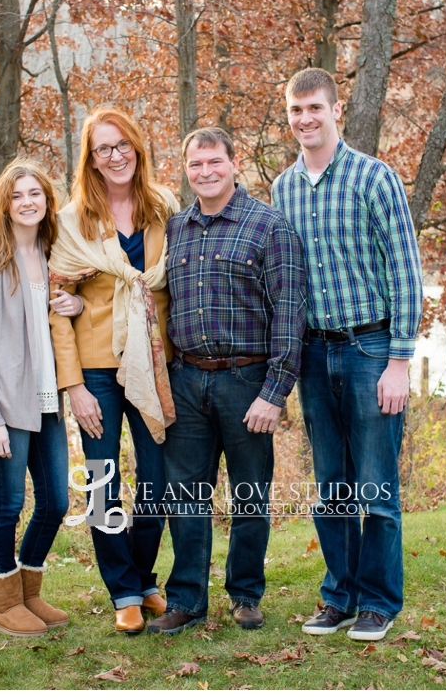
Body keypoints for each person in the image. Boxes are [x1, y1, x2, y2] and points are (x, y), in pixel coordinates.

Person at [271, 68, 423, 642]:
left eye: (315, 108)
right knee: (331, 485)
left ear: (337, 110)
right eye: (295, 111)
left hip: (370, 349)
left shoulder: (374, 177)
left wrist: (400, 361)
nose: (305, 119)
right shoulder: (283, 189)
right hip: (315, 354)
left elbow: (406, 272)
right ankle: (341, 594)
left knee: (377, 486)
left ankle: (380, 602)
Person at [147, 127, 307, 635]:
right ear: (187, 170)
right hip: (186, 379)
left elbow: (289, 314)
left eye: (215, 161)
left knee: (250, 495)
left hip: (247, 381)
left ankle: (245, 594)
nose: (206, 172)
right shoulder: (174, 229)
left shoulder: (269, 227)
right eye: (196, 164)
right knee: (184, 495)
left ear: (234, 163)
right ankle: (187, 600)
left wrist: (274, 393)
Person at [48, 106, 179, 637]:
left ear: (137, 148)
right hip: (97, 368)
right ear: (91, 159)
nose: (116, 155)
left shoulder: (164, 206)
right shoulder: (72, 220)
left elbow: (174, 285)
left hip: (152, 364)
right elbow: (59, 308)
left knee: (157, 480)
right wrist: (73, 385)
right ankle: (122, 590)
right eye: (104, 148)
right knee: (104, 483)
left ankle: (146, 580)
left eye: (122, 144)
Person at [0, 158, 69, 638]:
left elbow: (66, 313)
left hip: (47, 398)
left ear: (47, 201)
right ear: (4, 205)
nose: (27, 202)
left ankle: (29, 590)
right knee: (7, 503)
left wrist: (78, 302)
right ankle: (5, 603)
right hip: (3, 402)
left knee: (57, 502)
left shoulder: (53, 251)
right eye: (17, 195)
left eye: (35, 194)